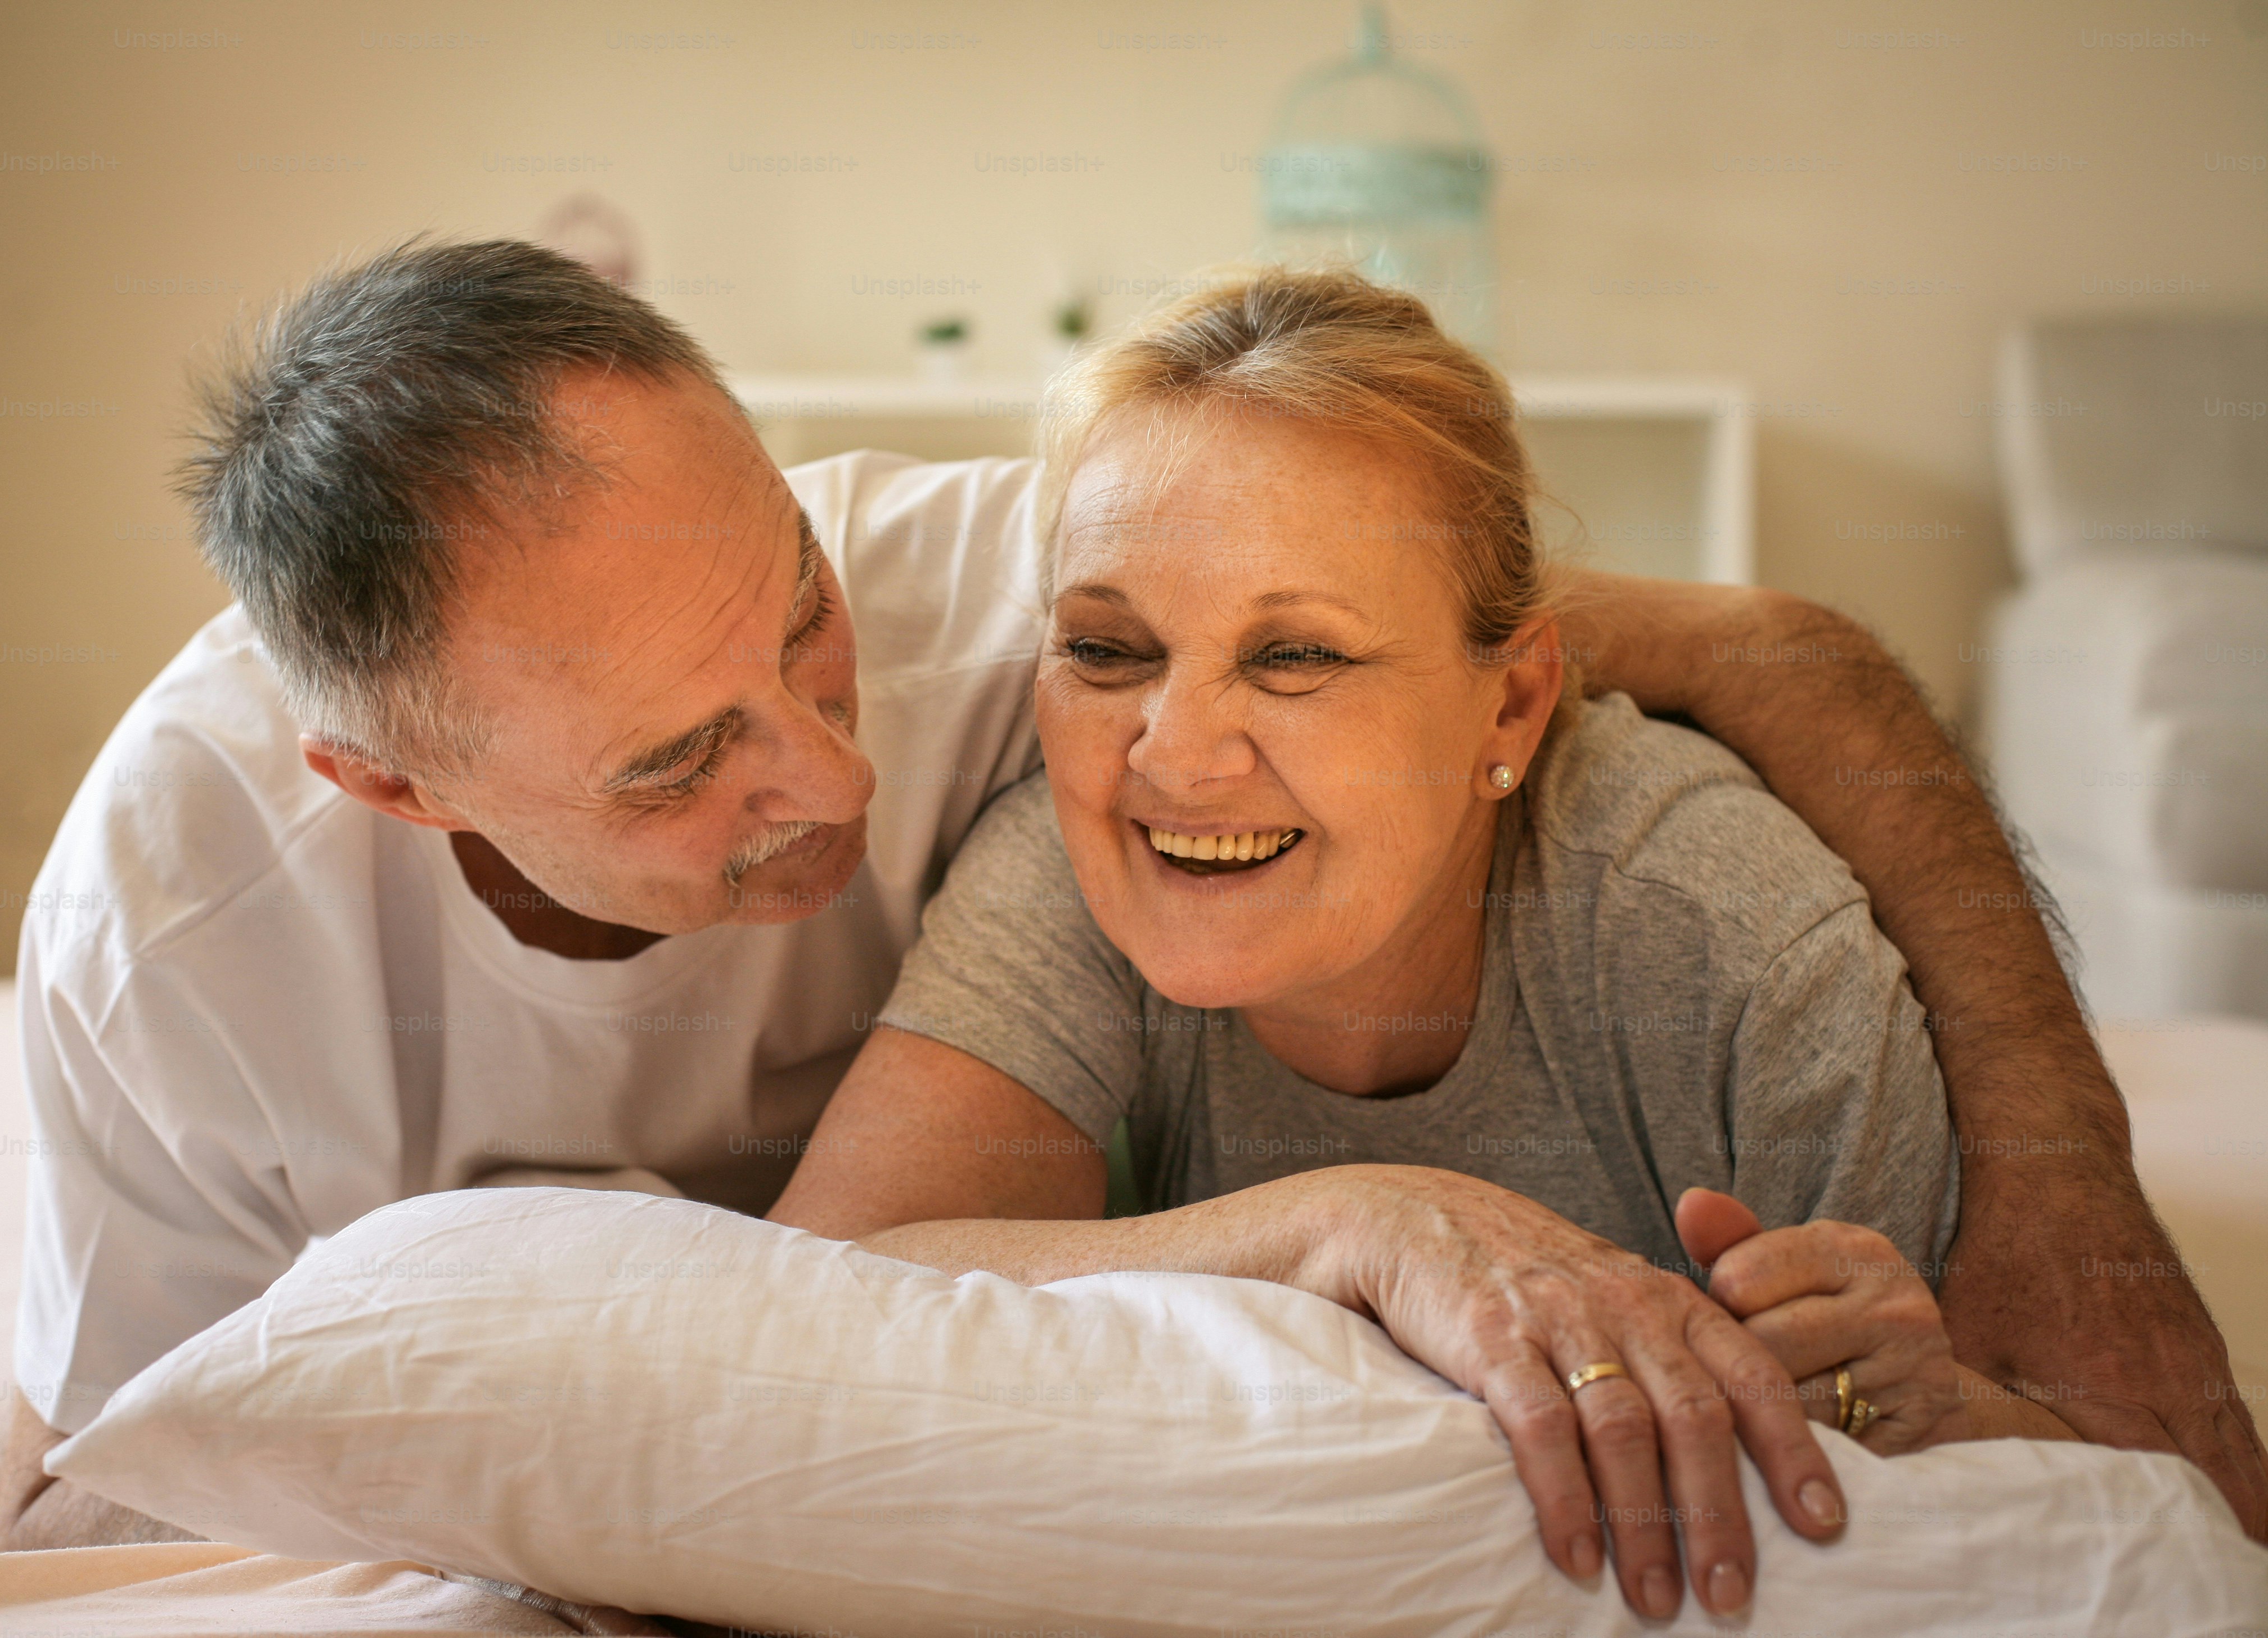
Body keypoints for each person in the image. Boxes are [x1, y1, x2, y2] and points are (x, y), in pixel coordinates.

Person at [0, 241, 2263, 1572]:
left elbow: (1779, 649)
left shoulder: (1060, 590)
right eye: (683, 763)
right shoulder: (174, 945)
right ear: (384, 782)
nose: (834, 771)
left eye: (799, 621)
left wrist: (2078, 1216)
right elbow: (126, 1496)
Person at [769, 267, 2263, 1618]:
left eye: (1294, 657)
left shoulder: (1719, 929)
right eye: (1107, 649)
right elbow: (825, 1292)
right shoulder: (1076, 852)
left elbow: (2086, 1471)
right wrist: (1342, 1224)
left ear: (1512, 705)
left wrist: (1943, 1407)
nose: (1173, 752)